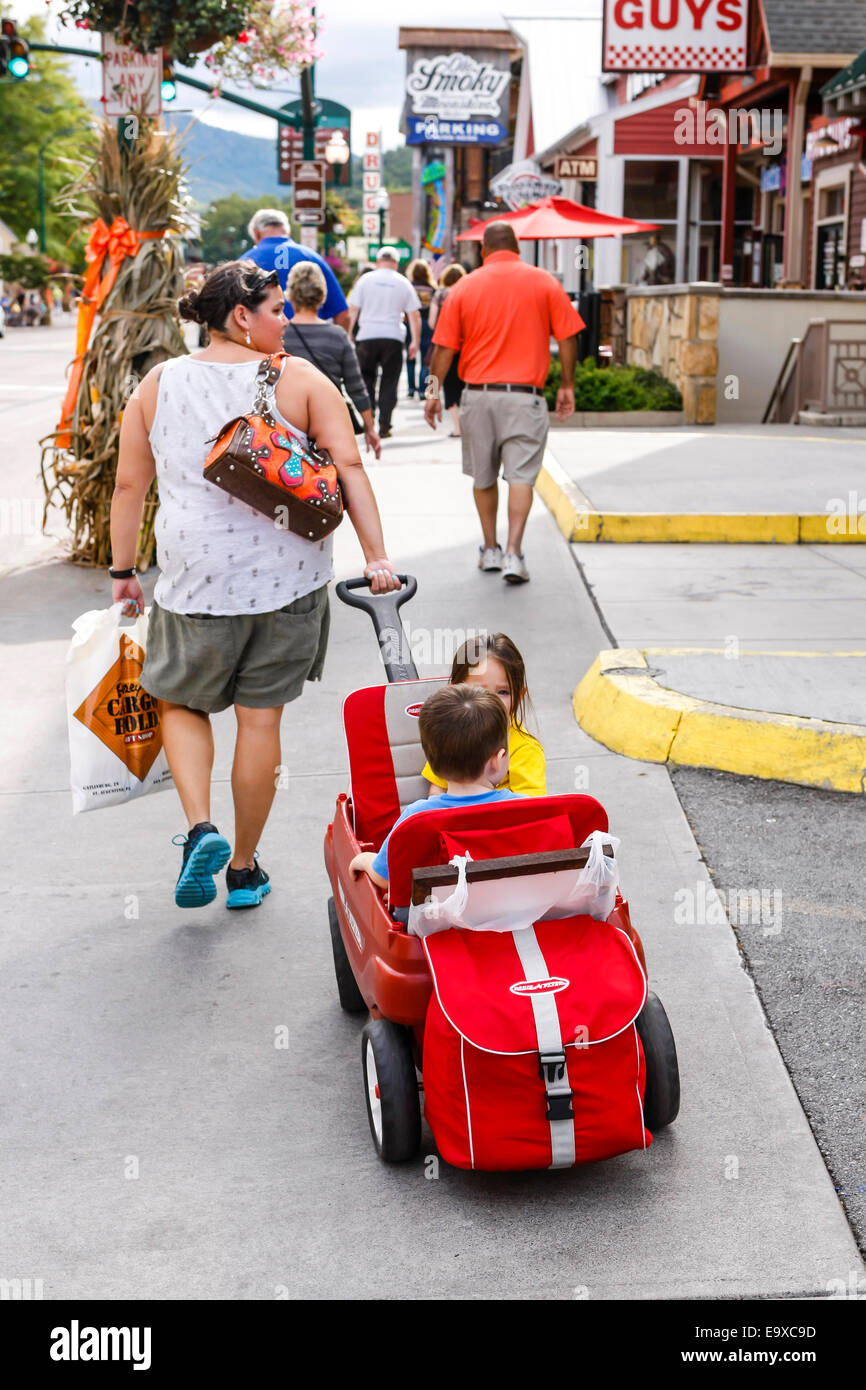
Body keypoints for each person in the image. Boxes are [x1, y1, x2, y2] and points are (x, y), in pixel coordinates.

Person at [109, 260, 401, 911]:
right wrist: (377, 556)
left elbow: (131, 487)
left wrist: (123, 572)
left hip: (193, 583)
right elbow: (349, 466)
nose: (286, 320)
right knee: (259, 722)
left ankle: (200, 829)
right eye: (276, 309)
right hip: (288, 582)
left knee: (181, 703)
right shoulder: (299, 379)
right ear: (242, 315)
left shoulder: (158, 384)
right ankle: (243, 869)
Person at [425, 221, 583, 584]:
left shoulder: (464, 286)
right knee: (521, 476)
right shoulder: (544, 281)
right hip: (524, 397)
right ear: (518, 247)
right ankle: (514, 554)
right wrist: (567, 385)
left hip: (478, 397)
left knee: (483, 476)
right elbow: (569, 335)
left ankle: (490, 548)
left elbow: (444, 348)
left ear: (484, 251)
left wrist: (434, 392)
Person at [349, 684, 520, 890]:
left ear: (433, 766)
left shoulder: (416, 818)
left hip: (436, 919)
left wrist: (364, 859)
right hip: (509, 911)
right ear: (499, 760)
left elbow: (387, 879)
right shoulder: (525, 809)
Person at [422, 633, 545, 798]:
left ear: (519, 696)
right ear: (455, 692)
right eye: (479, 691)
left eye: (503, 692)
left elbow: (532, 808)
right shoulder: (449, 734)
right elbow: (437, 788)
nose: (490, 700)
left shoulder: (524, 749)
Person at [283, 261, 381, 460]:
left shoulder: (280, 335)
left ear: (290, 296)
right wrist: (370, 429)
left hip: (288, 427)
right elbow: (356, 387)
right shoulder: (337, 336)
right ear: (322, 296)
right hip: (330, 424)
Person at [348, 246, 421, 439]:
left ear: (378, 261)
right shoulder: (403, 282)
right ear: (396, 263)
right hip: (393, 336)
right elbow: (414, 315)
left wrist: (348, 333)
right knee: (390, 381)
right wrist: (415, 341)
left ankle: (369, 417)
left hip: (367, 335)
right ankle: (384, 424)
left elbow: (353, 309)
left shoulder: (365, 280)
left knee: (367, 379)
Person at [240, 208, 350, 331]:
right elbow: (343, 314)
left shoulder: (245, 262)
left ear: (256, 233)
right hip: (311, 340)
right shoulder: (311, 257)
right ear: (287, 231)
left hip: (259, 344)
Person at [427, 262, 466, 436]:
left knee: (450, 385)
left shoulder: (440, 294)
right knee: (465, 385)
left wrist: (433, 394)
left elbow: (431, 321)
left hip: (446, 344)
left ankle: (457, 427)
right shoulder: (468, 293)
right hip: (467, 348)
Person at [405, 258, 435, 398]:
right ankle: (423, 390)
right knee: (425, 358)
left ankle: (411, 389)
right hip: (428, 324)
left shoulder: (408, 287)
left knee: (410, 357)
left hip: (410, 323)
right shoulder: (432, 289)